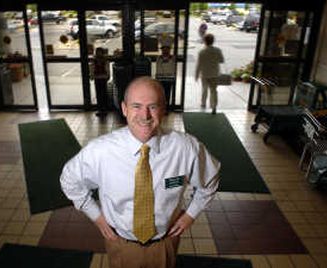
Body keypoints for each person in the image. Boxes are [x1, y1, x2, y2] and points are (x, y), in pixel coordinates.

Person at [60, 76, 220, 268]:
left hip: (165, 242)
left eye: (152, 106)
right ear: (124, 108)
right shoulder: (100, 151)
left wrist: (190, 214)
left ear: (163, 109)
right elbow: (69, 179)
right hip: (120, 243)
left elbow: (210, 181)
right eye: (136, 106)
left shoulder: (186, 147)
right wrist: (96, 216)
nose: (145, 115)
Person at [195, 34, 224, 114]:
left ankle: (203, 103)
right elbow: (221, 60)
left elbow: (199, 64)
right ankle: (214, 107)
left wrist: (196, 75)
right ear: (213, 41)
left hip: (204, 74)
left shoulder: (202, 52)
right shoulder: (218, 50)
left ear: (205, 41)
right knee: (213, 91)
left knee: (204, 89)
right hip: (214, 74)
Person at [90, 47, 110, 117]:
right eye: (97, 52)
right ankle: (100, 109)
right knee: (99, 94)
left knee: (103, 94)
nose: (98, 53)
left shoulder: (104, 60)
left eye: (100, 52)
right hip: (97, 78)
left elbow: (107, 68)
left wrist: (107, 75)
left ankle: (104, 109)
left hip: (102, 78)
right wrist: (92, 76)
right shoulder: (94, 60)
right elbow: (92, 68)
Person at [155, 45, 176, 111]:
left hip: (168, 79)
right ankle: (161, 108)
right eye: (163, 50)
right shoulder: (159, 58)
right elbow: (158, 68)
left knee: (167, 94)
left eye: (166, 49)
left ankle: (166, 108)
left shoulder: (172, 58)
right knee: (160, 94)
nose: (165, 51)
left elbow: (172, 68)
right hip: (161, 79)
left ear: (169, 50)